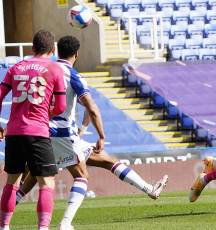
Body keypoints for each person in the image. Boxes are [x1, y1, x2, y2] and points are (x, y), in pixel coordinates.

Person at [16, 36, 168, 230]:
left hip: (39, 130)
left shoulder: (45, 70)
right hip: (61, 133)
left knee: (104, 160)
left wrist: (82, 129)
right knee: (81, 175)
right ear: (77, 54)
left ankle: (150, 189)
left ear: (57, 51)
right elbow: (92, 108)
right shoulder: (73, 76)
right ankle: (65, 223)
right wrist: (101, 136)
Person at [0, 30, 66, 230]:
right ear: (53, 49)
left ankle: (4, 227)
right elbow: (61, 107)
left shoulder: (16, 67)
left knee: (12, 182)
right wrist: (47, 115)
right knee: (46, 183)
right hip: (37, 132)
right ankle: (43, 228)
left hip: (14, 132)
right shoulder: (55, 69)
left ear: (33, 48)